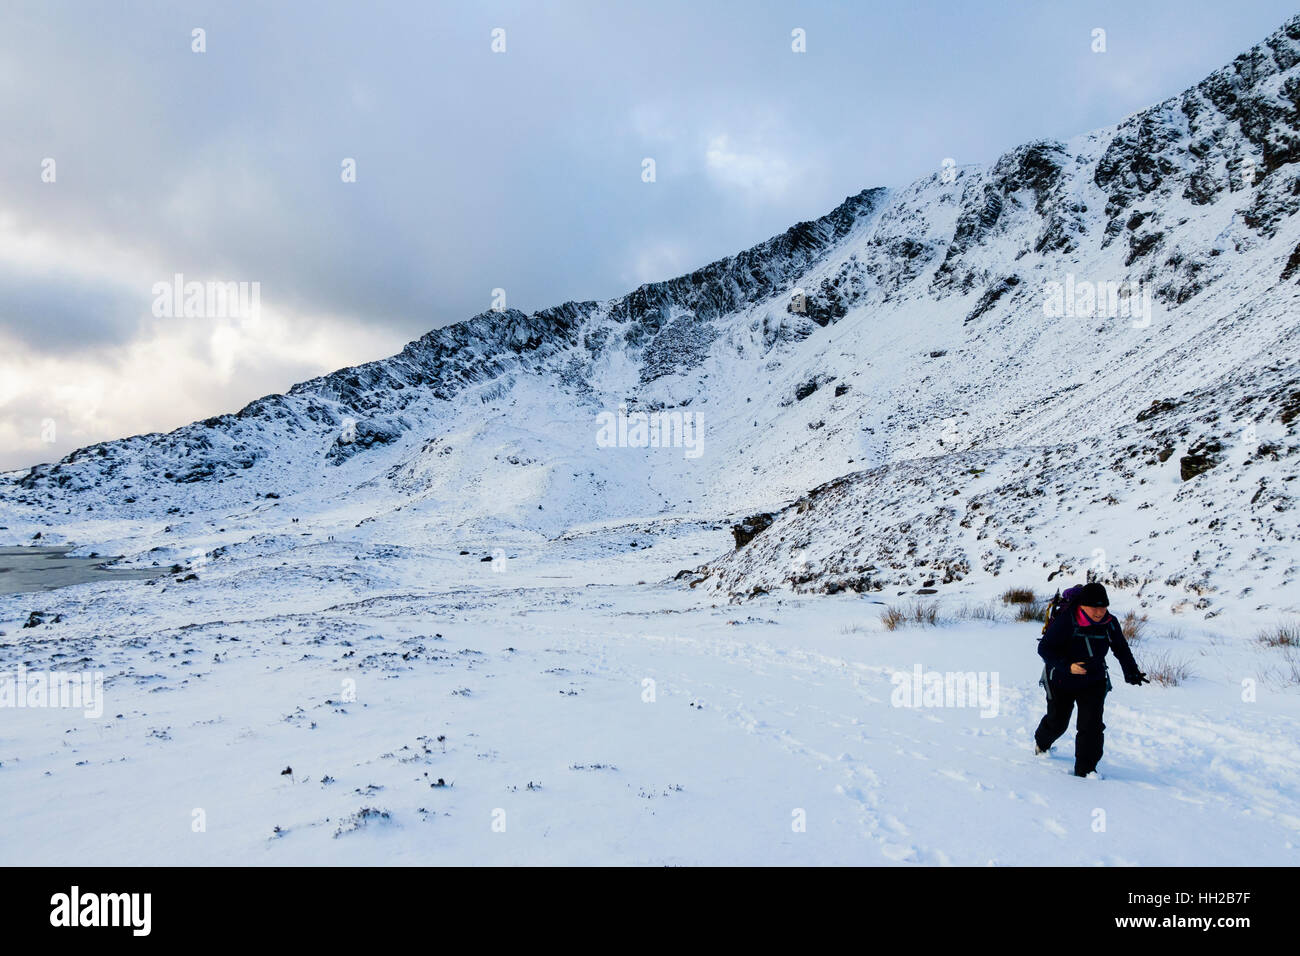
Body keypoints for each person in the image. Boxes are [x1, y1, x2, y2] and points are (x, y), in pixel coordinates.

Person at [1034, 582, 1149, 777]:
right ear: (1082, 606)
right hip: (1061, 680)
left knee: (1091, 726)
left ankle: (1086, 772)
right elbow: (1044, 648)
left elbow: (1120, 647)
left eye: (1103, 607)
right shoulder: (1067, 621)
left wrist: (1131, 672)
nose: (1099, 612)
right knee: (1058, 722)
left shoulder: (1110, 622)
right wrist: (1067, 666)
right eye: (1094, 607)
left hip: (1093, 680)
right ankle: (1042, 743)